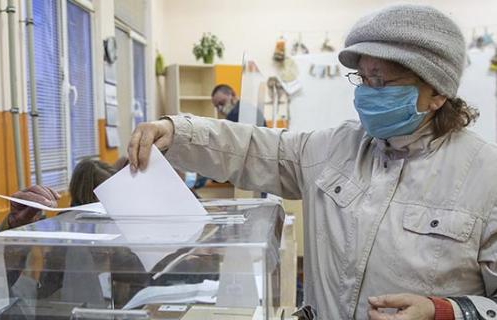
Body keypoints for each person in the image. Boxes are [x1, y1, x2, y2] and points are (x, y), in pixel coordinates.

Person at [128, 4, 497, 320]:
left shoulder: (486, 175)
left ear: (436, 93)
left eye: (382, 82)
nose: (366, 93)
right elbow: (252, 148)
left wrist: (443, 311)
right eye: (363, 79)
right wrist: (177, 132)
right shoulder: (334, 148)